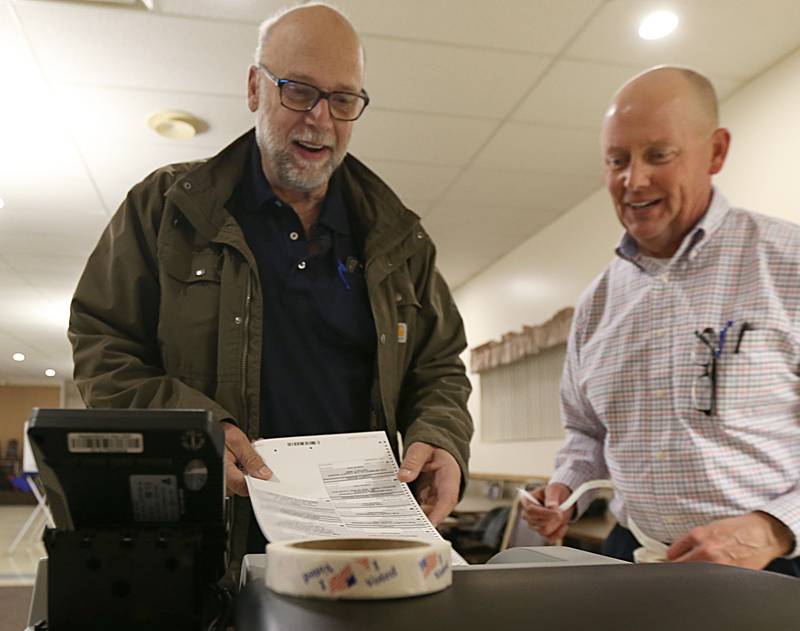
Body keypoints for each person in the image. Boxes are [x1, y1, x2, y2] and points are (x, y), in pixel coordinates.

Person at [68, 3, 472, 576]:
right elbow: (101, 347)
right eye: (300, 91)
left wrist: (442, 436)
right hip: (207, 543)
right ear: (255, 87)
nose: (321, 120)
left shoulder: (399, 239)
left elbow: (440, 367)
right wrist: (197, 430)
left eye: (342, 99)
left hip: (362, 550)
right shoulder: (165, 210)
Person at [522, 66, 800, 575]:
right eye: (617, 160)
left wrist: (776, 527)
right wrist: (566, 488)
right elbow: (585, 431)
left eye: (658, 155)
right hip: (633, 555)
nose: (634, 180)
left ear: (716, 152)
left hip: (775, 565)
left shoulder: (790, 264)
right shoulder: (596, 304)